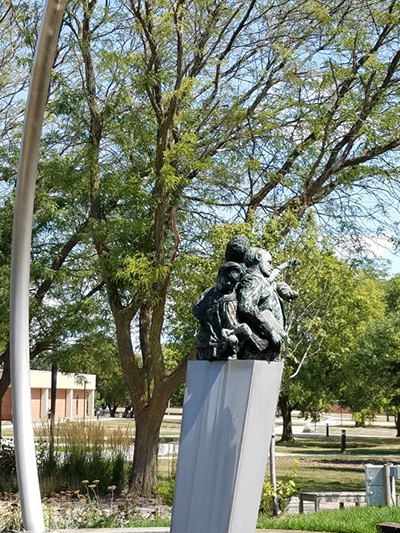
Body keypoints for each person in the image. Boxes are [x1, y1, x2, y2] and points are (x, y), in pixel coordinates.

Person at [237, 247, 298, 360]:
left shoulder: (262, 280)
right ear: (258, 258)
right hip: (258, 347)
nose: (271, 266)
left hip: (267, 347)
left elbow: (274, 284)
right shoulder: (253, 280)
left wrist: (286, 291)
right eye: (269, 262)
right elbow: (246, 306)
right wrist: (270, 331)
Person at [193, 261, 250, 360]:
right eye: (227, 279)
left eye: (233, 282)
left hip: (223, 346)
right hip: (205, 343)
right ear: (220, 275)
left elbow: (232, 324)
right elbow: (196, 309)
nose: (229, 284)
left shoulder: (231, 300)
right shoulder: (208, 292)